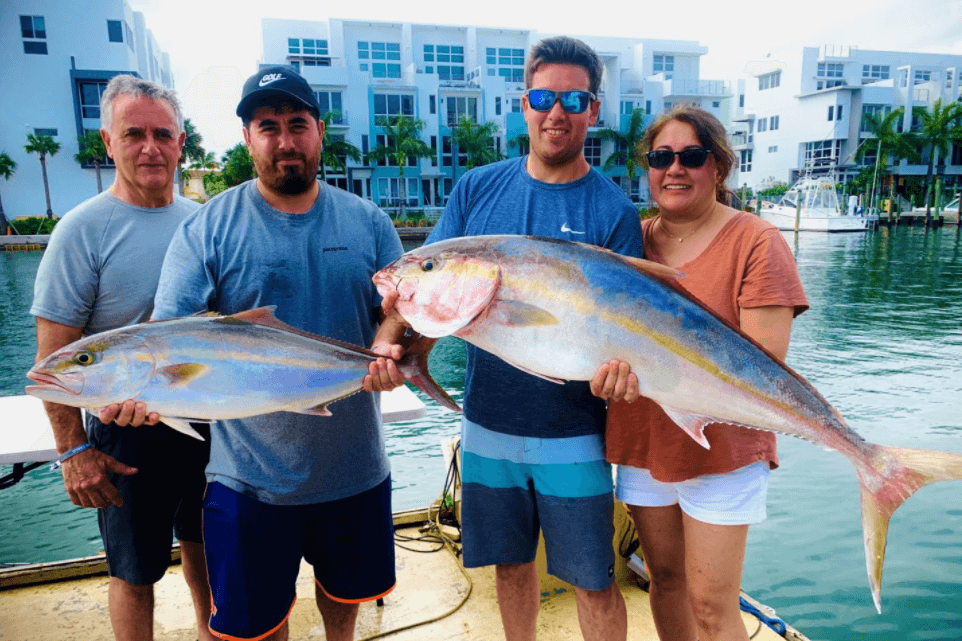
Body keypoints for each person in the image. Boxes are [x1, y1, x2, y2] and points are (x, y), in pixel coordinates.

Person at [146, 66, 408, 641]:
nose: (285, 141)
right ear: (248, 138)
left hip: (355, 469)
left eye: (298, 124)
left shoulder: (369, 221)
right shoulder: (208, 228)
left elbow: (399, 306)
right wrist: (138, 390)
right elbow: (171, 333)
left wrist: (389, 338)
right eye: (269, 127)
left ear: (320, 130)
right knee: (255, 626)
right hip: (248, 479)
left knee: (345, 600)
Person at [411, 36, 644, 641]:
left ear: (593, 109)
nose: (556, 112)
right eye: (544, 96)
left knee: (594, 578)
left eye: (573, 98)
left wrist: (623, 375)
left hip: (574, 432)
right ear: (524, 103)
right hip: (487, 424)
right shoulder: (475, 190)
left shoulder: (613, 211)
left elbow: (630, 327)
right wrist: (400, 348)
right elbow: (428, 291)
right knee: (510, 565)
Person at [605, 105, 809, 641]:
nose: (675, 169)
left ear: (718, 167)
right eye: (661, 157)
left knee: (712, 607)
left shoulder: (757, 241)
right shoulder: (631, 243)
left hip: (723, 451)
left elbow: (766, 367)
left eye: (691, 157)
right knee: (665, 582)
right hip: (646, 443)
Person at [30, 75, 214, 641]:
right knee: (133, 571)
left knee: (207, 549)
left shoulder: (205, 221)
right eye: (133, 134)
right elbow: (51, 363)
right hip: (124, 433)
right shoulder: (82, 231)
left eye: (162, 134)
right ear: (108, 143)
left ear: (182, 142)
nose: (150, 148)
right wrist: (75, 452)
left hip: (212, 414)